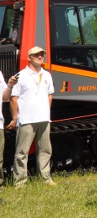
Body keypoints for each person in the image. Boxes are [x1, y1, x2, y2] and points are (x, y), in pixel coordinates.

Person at [8, 46, 55, 187]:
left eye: (42, 54)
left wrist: (46, 111)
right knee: (22, 151)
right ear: (29, 57)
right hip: (26, 119)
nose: (40, 57)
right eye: (36, 55)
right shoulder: (20, 76)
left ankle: (45, 178)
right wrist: (15, 118)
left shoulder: (47, 75)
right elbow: (13, 98)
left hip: (44, 119)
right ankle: (20, 182)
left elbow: (50, 95)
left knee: (45, 150)